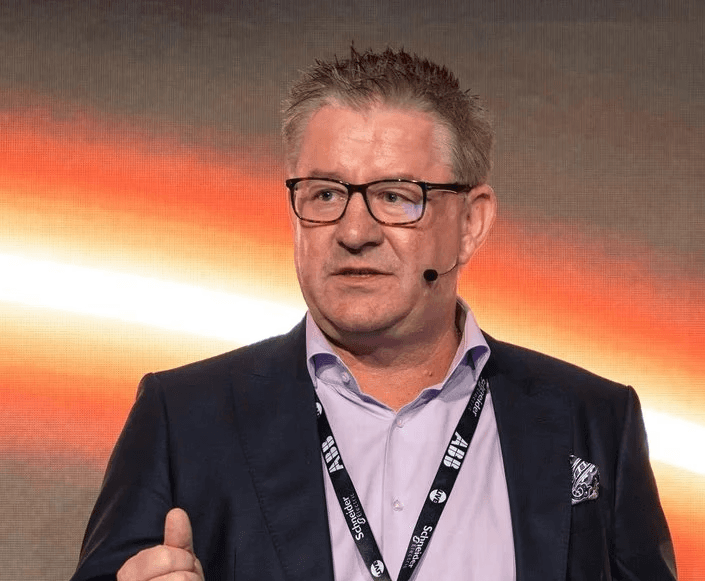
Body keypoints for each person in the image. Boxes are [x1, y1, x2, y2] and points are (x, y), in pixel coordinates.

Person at [70, 47, 676, 581]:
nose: (354, 231)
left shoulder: (593, 420)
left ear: (470, 223)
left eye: (394, 196)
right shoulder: (183, 420)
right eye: (325, 194)